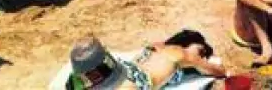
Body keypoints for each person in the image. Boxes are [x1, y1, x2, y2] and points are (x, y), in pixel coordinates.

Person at [51, 33, 231, 90]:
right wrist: (209, 64)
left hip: (128, 72)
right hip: (133, 81)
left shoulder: (153, 47)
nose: (202, 53)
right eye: (201, 49)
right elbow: (217, 70)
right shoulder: (179, 54)